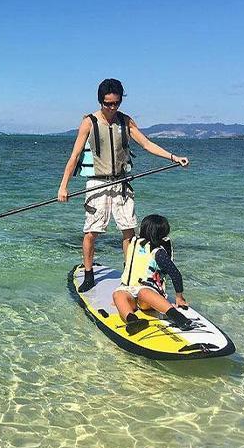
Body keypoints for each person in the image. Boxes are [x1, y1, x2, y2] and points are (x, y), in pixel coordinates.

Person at [58, 78, 189, 292]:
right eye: (108, 104)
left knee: (129, 232)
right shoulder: (89, 122)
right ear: (100, 101)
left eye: (116, 103)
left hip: (122, 183)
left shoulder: (125, 121)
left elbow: (147, 144)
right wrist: (63, 186)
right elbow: (74, 156)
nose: (112, 108)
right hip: (97, 184)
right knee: (92, 232)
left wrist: (174, 157)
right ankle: (89, 274)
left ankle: (129, 272)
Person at [112, 214, 193, 335]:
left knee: (143, 292)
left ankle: (178, 317)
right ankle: (133, 321)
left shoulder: (158, 252)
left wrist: (179, 297)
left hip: (148, 296)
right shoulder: (134, 243)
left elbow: (175, 273)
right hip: (130, 293)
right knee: (118, 294)